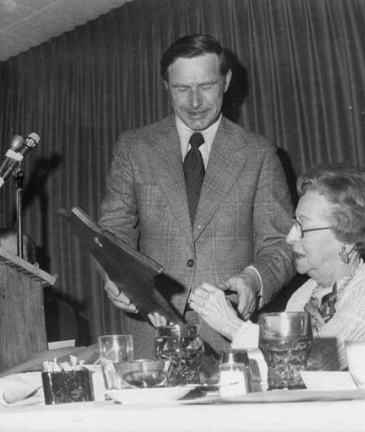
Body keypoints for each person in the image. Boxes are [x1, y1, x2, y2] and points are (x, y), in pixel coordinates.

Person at [98, 34, 295, 357]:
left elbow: (280, 245)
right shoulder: (134, 148)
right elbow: (113, 230)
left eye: (205, 86)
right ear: (166, 85)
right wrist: (115, 276)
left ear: (226, 81)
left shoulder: (258, 153)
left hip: (229, 335)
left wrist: (254, 278)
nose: (194, 102)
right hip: (152, 334)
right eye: (181, 89)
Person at [185, 165, 365, 370]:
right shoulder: (304, 294)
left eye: (302, 227)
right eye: (293, 224)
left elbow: (316, 362)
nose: (290, 237)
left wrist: (232, 326)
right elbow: (280, 371)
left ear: (348, 236)